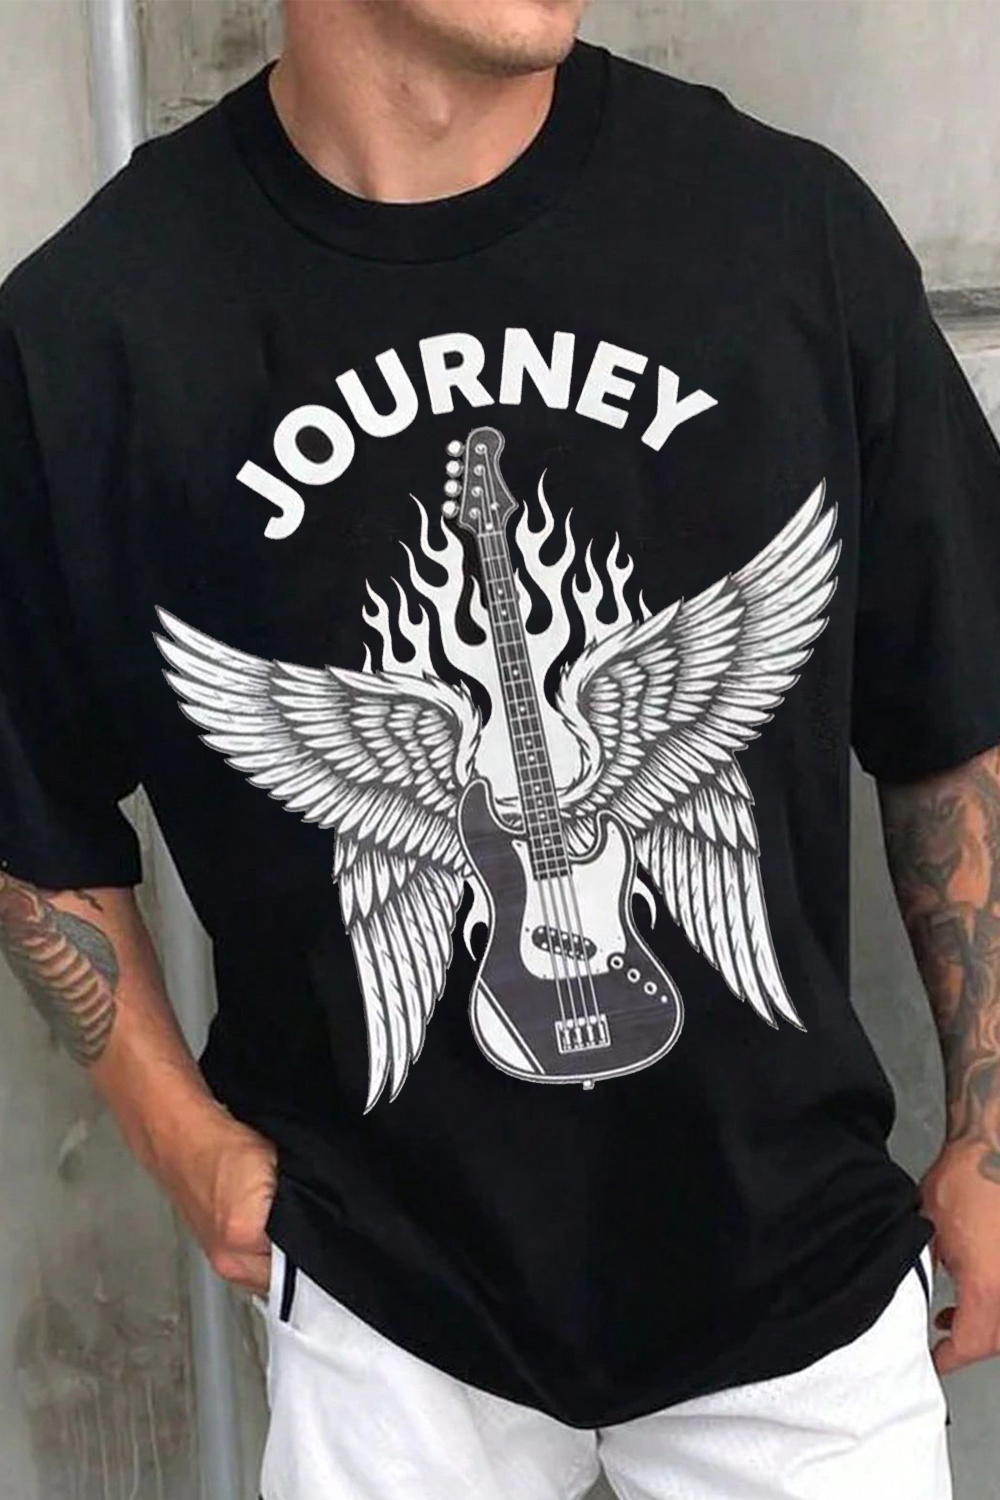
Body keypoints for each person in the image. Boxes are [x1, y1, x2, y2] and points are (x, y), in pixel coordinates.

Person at [2, 0, 999, 1495]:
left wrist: (991, 1127)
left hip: (802, 1279)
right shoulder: (101, 325)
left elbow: (959, 711)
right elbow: (30, 799)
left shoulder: (782, 233)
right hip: (384, 1306)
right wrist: (181, 1140)